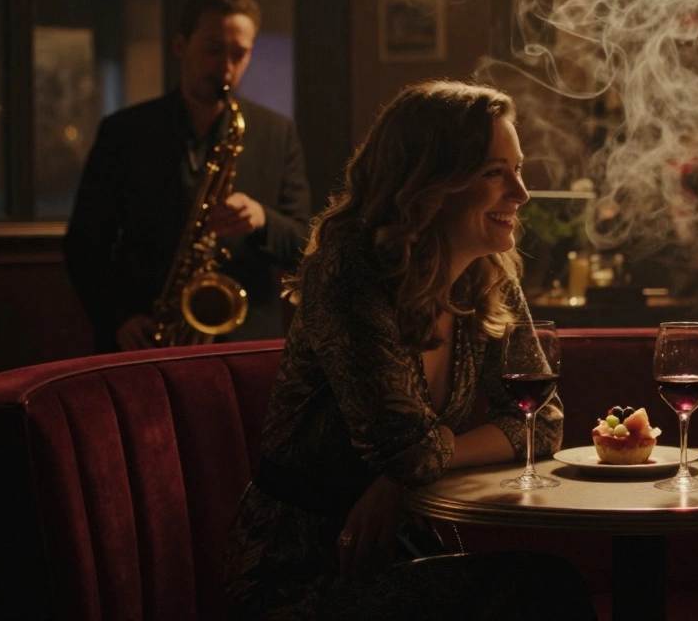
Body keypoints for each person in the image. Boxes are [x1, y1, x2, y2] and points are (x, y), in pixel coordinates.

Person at [224, 80, 590, 620]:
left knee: (543, 587)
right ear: (429, 183)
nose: (521, 192)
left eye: (518, 169)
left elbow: (542, 421)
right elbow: (409, 453)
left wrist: (399, 484)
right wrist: (406, 472)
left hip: (403, 551)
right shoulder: (348, 270)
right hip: (305, 569)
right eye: (495, 172)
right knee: (541, 590)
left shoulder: (488, 275)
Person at [63, 0, 312, 352]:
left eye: (239, 54)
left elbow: (304, 242)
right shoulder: (124, 132)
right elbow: (84, 245)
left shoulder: (276, 132)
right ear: (180, 45)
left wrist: (262, 218)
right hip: (148, 338)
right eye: (213, 49)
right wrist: (118, 319)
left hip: (245, 343)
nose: (226, 67)